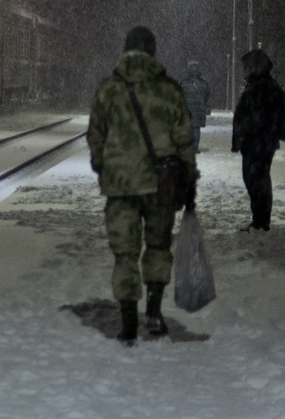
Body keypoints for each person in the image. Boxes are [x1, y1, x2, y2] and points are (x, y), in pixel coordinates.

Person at [87, 26, 196, 344]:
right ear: (154, 54)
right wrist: (187, 176)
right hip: (160, 187)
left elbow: (96, 136)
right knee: (158, 248)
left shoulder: (108, 90)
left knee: (125, 254)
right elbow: (184, 139)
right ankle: (154, 312)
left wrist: (104, 168)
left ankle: (128, 321)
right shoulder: (169, 89)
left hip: (120, 188)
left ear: (124, 52)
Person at [232, 48, 285, 232]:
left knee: (257, 180)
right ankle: (260, 220)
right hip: (257, 143)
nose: (244, 71)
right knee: (256, 179)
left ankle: (261, 221)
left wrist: (248, 129)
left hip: (259, 144)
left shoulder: (262, 86)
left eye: (247, 67)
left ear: (255, 67)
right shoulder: (260, 84)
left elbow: (260, 116)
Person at [181, 61, 211, 151]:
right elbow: (207, 95)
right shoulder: (203, 84)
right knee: (196, 128)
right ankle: (195, 146)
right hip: (199, 110)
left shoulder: (184, 83)